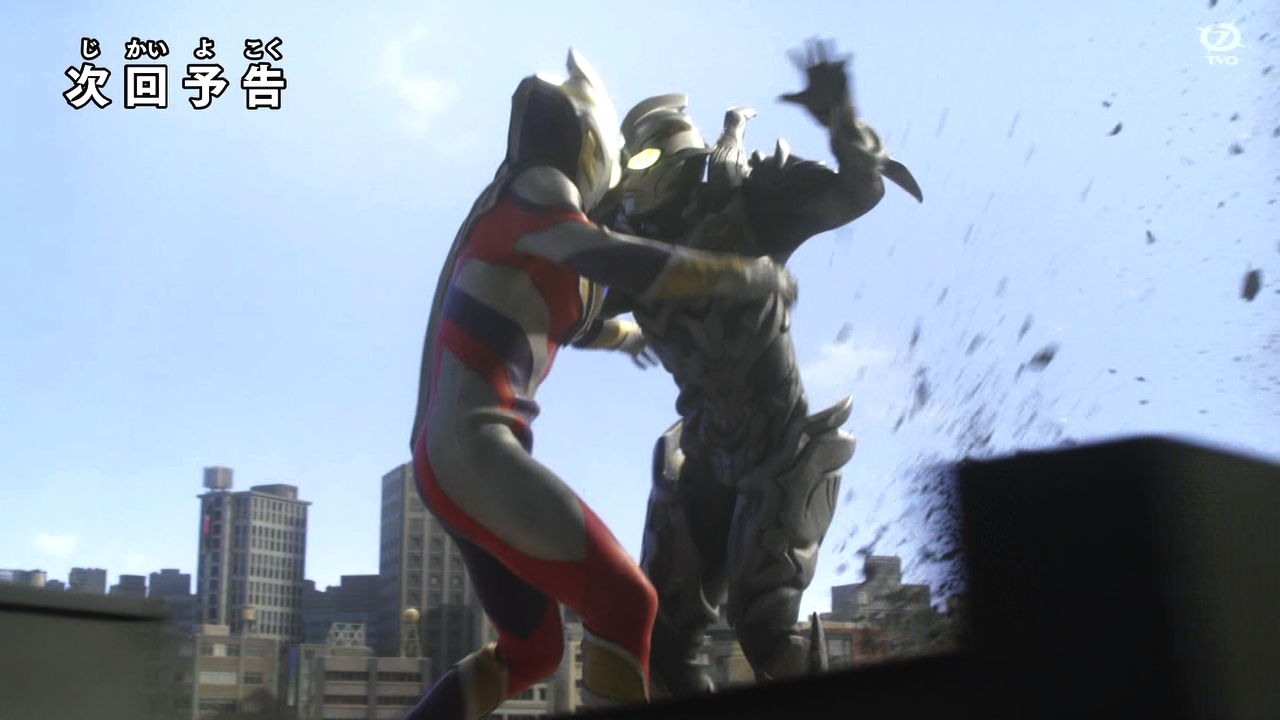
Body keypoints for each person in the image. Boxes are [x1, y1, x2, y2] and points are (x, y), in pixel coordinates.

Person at [403, 49, 798, 720]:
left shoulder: (525, 223)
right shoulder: (540, 188)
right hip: (473, 450)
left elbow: (579, 319)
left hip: (453, 458)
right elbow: (613, 259)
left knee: (532, 653)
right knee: (626, 602)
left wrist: (629, 338)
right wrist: (740, 276)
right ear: (589, 142)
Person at [589, 39, 923, 696]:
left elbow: (857, 191)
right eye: (629, 166)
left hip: (776, 446)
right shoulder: (633, 253)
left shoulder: (744, 207)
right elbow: (569, 308)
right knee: (664, 639)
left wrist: (842, 120)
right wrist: (617, 334)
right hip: (704, 452)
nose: (636, 179)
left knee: (766, 629)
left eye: (647, 159)